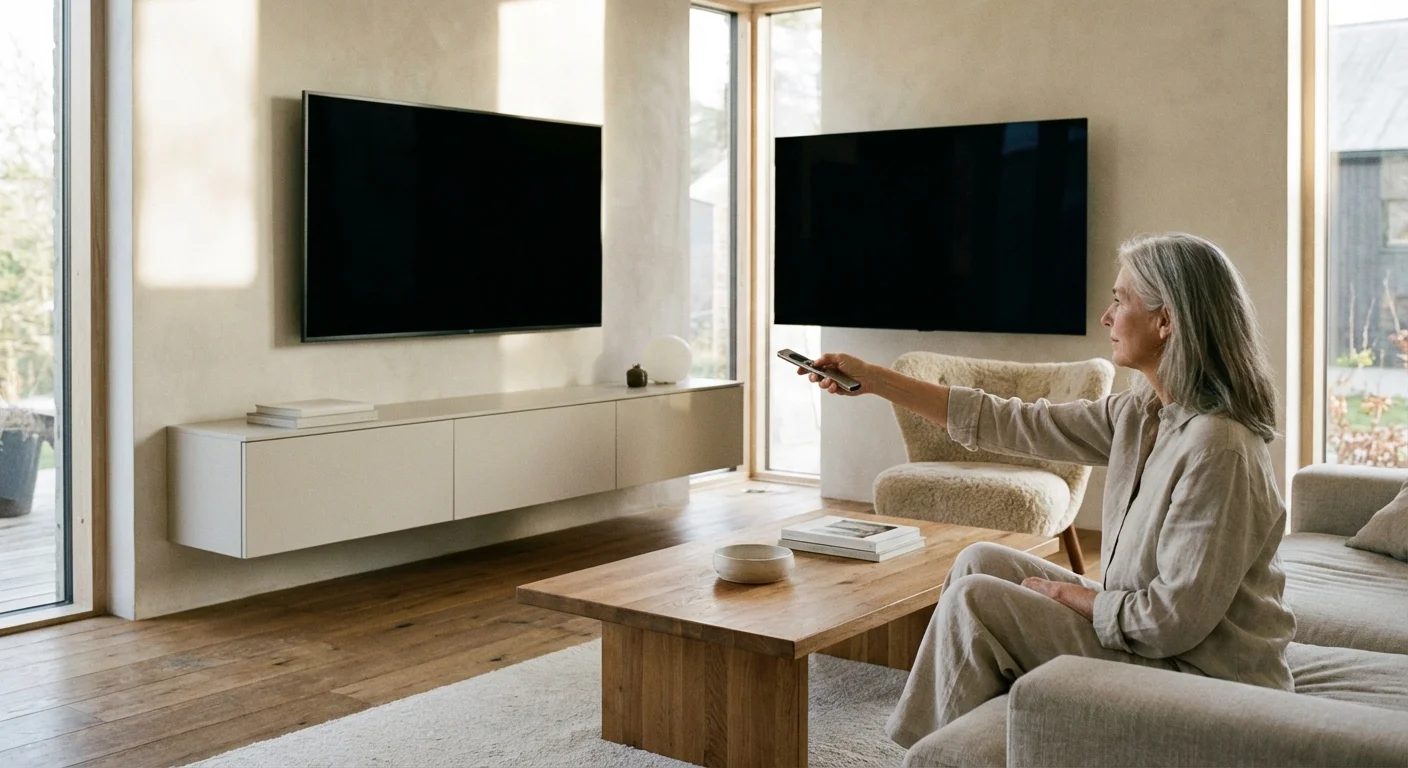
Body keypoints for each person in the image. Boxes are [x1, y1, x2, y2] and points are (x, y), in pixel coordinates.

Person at [798, 232, 1296, 748]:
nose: (1106, 316)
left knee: (978, 602)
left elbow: (1169, 622)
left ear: (1165, 321)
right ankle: (943, 749)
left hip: (1205, 681)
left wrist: (1071, 595)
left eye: (1120, 300)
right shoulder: (1144, 414)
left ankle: (926, 755)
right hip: (1157, 649)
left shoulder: (1219, 448)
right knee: (980, 562)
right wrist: (876, 380)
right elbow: (1012, 422)